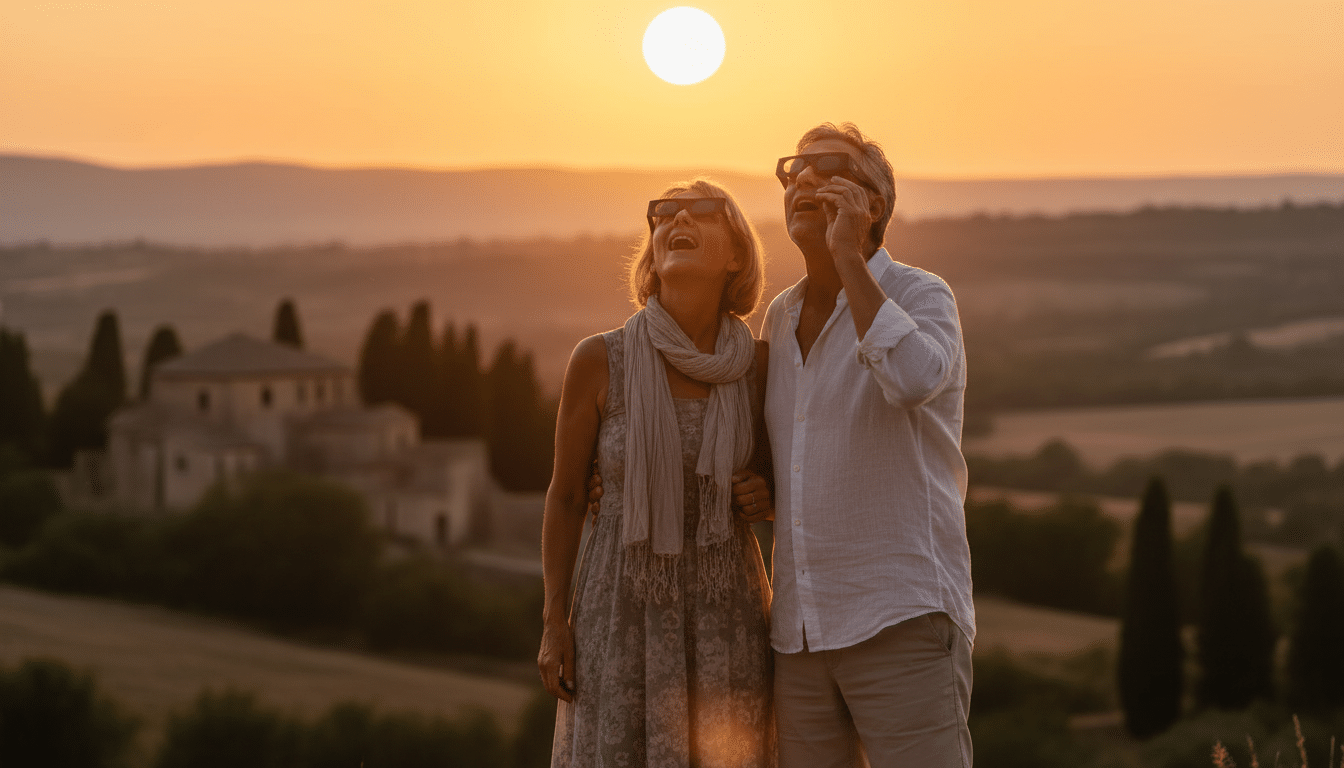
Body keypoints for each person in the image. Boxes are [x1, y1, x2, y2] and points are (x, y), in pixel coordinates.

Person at [538, 178, 777, 768]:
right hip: (621, 605)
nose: (678, 220)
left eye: (703, 211)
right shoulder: (599, 359)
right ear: (652, 252)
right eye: (664, 213)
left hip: (728, 610)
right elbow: (567, 496)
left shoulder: (760, 367)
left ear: (738, 255)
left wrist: (763, 494)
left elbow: (783, 485)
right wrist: (553, 620)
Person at [763, 122, 974, 767]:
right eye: (793, 170)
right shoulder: (778, 314)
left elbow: (912, 380)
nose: (803, 180)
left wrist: (849, 258)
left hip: (899, 616)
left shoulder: (921, 293)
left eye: (826, 168)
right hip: (799, 632)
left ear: (872, 205)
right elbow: (800, 457)